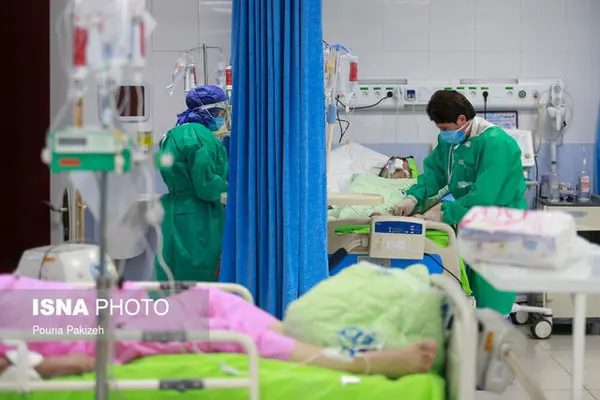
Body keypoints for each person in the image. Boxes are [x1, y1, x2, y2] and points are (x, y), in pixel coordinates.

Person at [0, 274, 437, 380]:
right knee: (236, 335)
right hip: (115, 330)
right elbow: (40, 364)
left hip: (118, 303)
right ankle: (364, 362)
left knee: (224, 305)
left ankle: (335, 343)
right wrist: (51, 365)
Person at [394, 90, 526, 317]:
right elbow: (435, 174)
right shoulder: (450, 141)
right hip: (469, 221)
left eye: (445, 129)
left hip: (499, 225)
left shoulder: (497, 144)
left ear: (462, 119)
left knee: (491, 298)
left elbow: (484, 196)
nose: (443, 134)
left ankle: (493, 332)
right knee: (469, 294)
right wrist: (413, 198)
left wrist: (443, 212)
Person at [155, 85, 230, 283]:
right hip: (197, 216)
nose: (222, 118)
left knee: (171, 269)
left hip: (173, 212)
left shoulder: (173, 133)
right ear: (209, 111)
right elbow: (205, 184)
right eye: (221, 113)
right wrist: (235, 190)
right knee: (199, 273)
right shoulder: (201, 136)